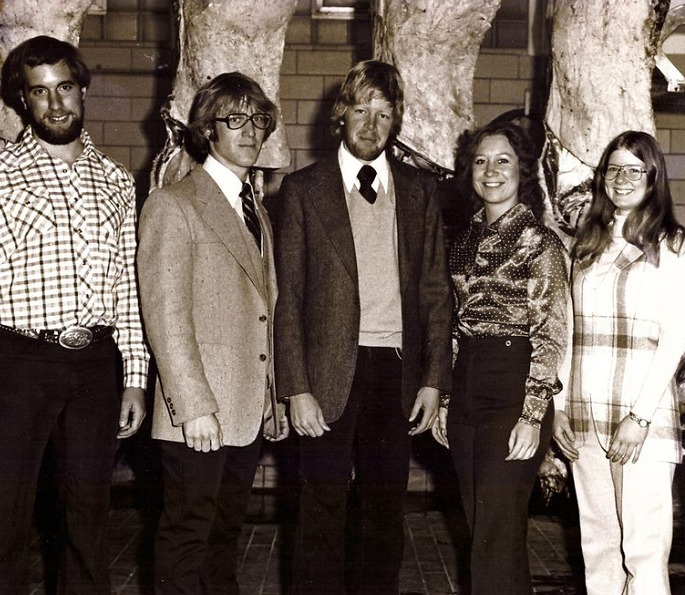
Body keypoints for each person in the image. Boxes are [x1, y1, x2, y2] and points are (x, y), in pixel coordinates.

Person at [273, 60, 453, 595]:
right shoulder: (303, 190)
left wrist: (433, 379)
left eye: (384, 111)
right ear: (340, 115)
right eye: (360, 109)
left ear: (396, 121)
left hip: (395, 374)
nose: (371, 123)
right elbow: (289, 297)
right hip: (329, 371)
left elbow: (436, 292)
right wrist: (296, 387)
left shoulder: (421, 192)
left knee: (383, 510)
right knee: (319, 510)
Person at [0, 36, 149, 595]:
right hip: (17, 361)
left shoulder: (114, 182)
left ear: (82, 90)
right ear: (23, 102)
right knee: (6, 516)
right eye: (39, 93)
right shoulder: (2, 173)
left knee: (89, 520)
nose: (55, 104)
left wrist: (134, 378)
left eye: (64, 87)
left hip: (94, 368)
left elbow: (127, 291)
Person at [137, 72, 289, 595]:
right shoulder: (173, 204)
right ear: (207, 129)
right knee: (186, 538)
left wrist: (270, 400)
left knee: (223, 536)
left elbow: (260, 314)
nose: (250, 131)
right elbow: (166, 315)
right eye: (235, 119)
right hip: (198, 411)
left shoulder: (257, 209)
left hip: (244, 408)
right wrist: (195, 405)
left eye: (259, 119)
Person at [432, 121, 569, 595]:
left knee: (495, 532)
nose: (490, 171)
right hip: (467, 386)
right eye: (480, 161)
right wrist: (447, 398)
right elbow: (455, 324)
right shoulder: (464, 238)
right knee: (488, 534)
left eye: (503, 160)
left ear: (523, 170)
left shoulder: (541, 243)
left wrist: (533, 416)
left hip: (514, 390)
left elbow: (550, 335)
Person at [553, 130, 685, 595]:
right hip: (587, 414)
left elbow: (677, 336)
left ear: (653, 178)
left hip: (640, 420)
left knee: (644, 551)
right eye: (614, 168)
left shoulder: (672, 244)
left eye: (635, 169)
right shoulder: (585, 246)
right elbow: (569, 330)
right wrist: (560, 405)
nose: (622, 178)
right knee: (601, 546)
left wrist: (640, 416)